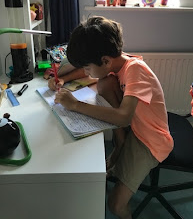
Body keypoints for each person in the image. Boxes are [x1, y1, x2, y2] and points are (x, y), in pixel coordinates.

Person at [53, 16, 174, 219]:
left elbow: (124, 118)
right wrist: (63, 78)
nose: (87, 72)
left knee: (115, 205)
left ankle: (122, 152)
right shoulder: (118, 61)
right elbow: (91, 72)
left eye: (89, 67)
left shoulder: (137, 71)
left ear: (106, 61)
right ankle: (120, 145)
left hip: (151, 142)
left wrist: (75, 105)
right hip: (137, 129)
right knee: (104, 83)